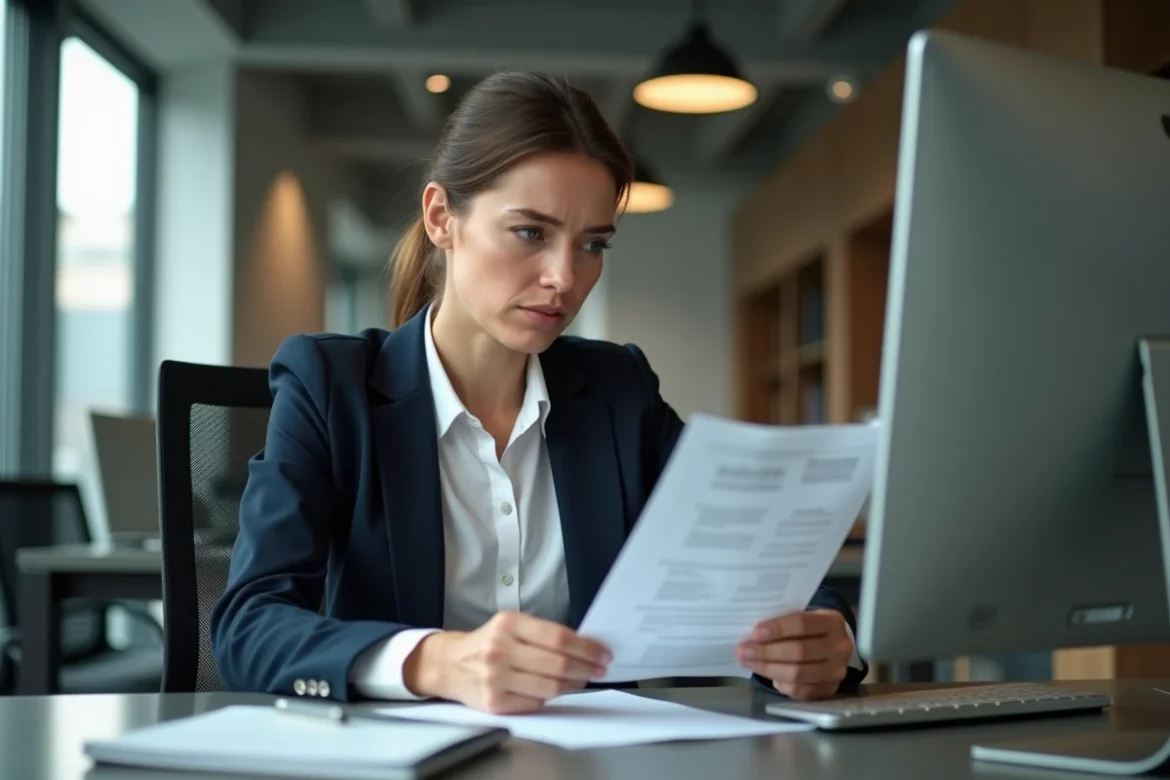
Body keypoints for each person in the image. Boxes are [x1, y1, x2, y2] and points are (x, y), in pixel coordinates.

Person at [210, 72, 867, 714]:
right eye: (531, 232)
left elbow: (760, 559)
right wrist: (439, 661)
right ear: (442, 217)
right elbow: (249, 627)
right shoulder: (332, 387)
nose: (565, 277)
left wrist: (822, 636)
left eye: (592, 244)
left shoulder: (618, 392)